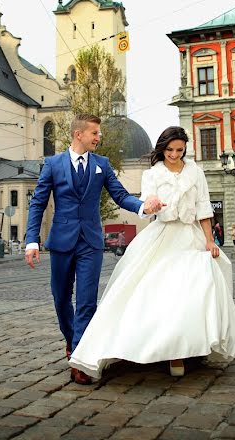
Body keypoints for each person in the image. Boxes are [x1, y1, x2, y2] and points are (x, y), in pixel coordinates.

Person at [69, 126, 235, 381]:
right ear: (162, 149)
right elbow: (147, 204)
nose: (174, 154)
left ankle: (184, 351)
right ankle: (156, 349)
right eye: (170, 150)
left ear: (185, 149)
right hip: (162, 235)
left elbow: (204, 208)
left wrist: (209, 240)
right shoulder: (152, 174)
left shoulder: (196, 172)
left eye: (179, 150)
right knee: (154, 292)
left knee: (194, 291)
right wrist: (151, 206)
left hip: (190, 237)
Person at [25, 113, 164, 385]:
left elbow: (120, 195)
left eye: (98, 134)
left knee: (87, 301)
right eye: (95, 133)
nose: (99, 138)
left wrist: (143, 206)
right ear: (79, 134)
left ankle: (80, 357)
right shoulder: (53, 164)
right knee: (61, 299)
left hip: (91, 242)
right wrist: (32, 240)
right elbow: (38, 204)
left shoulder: (102, 164)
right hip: (62, 242)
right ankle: (71, 339)